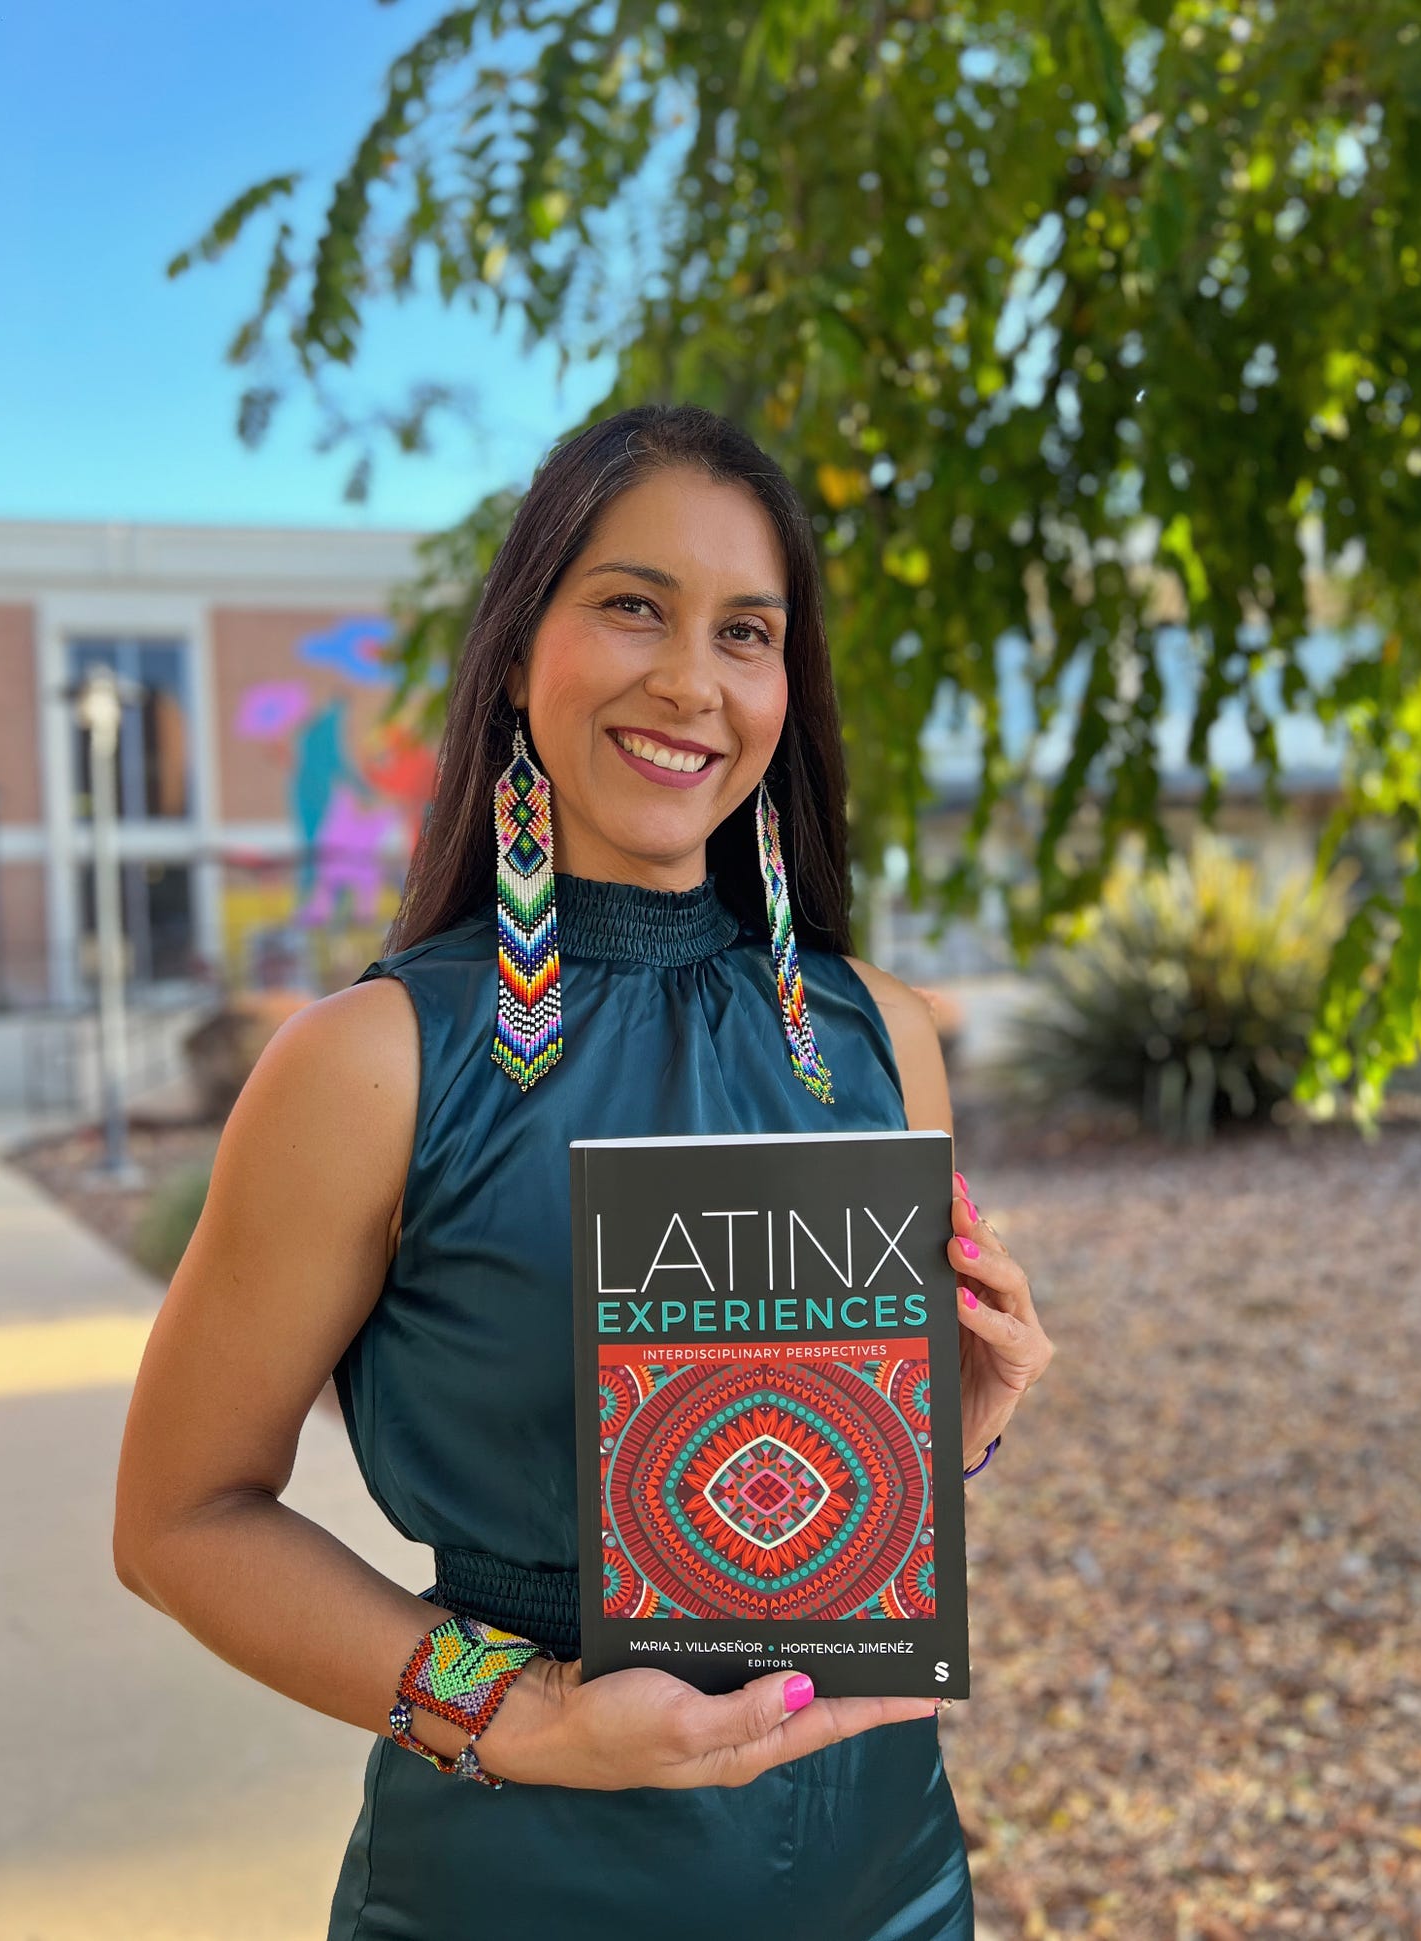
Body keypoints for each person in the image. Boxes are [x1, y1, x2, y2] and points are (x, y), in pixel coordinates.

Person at [114, 403, 1054, 1939]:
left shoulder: (882, 1036)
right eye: (634, 604)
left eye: (745, 631)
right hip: (515, 1887)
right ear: (520, 643)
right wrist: (527, 1713)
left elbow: (812, 1503)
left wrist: (949, 1429)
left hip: (890, 1878)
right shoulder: (373, 1063)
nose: (692, 678)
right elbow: (177, 1517)